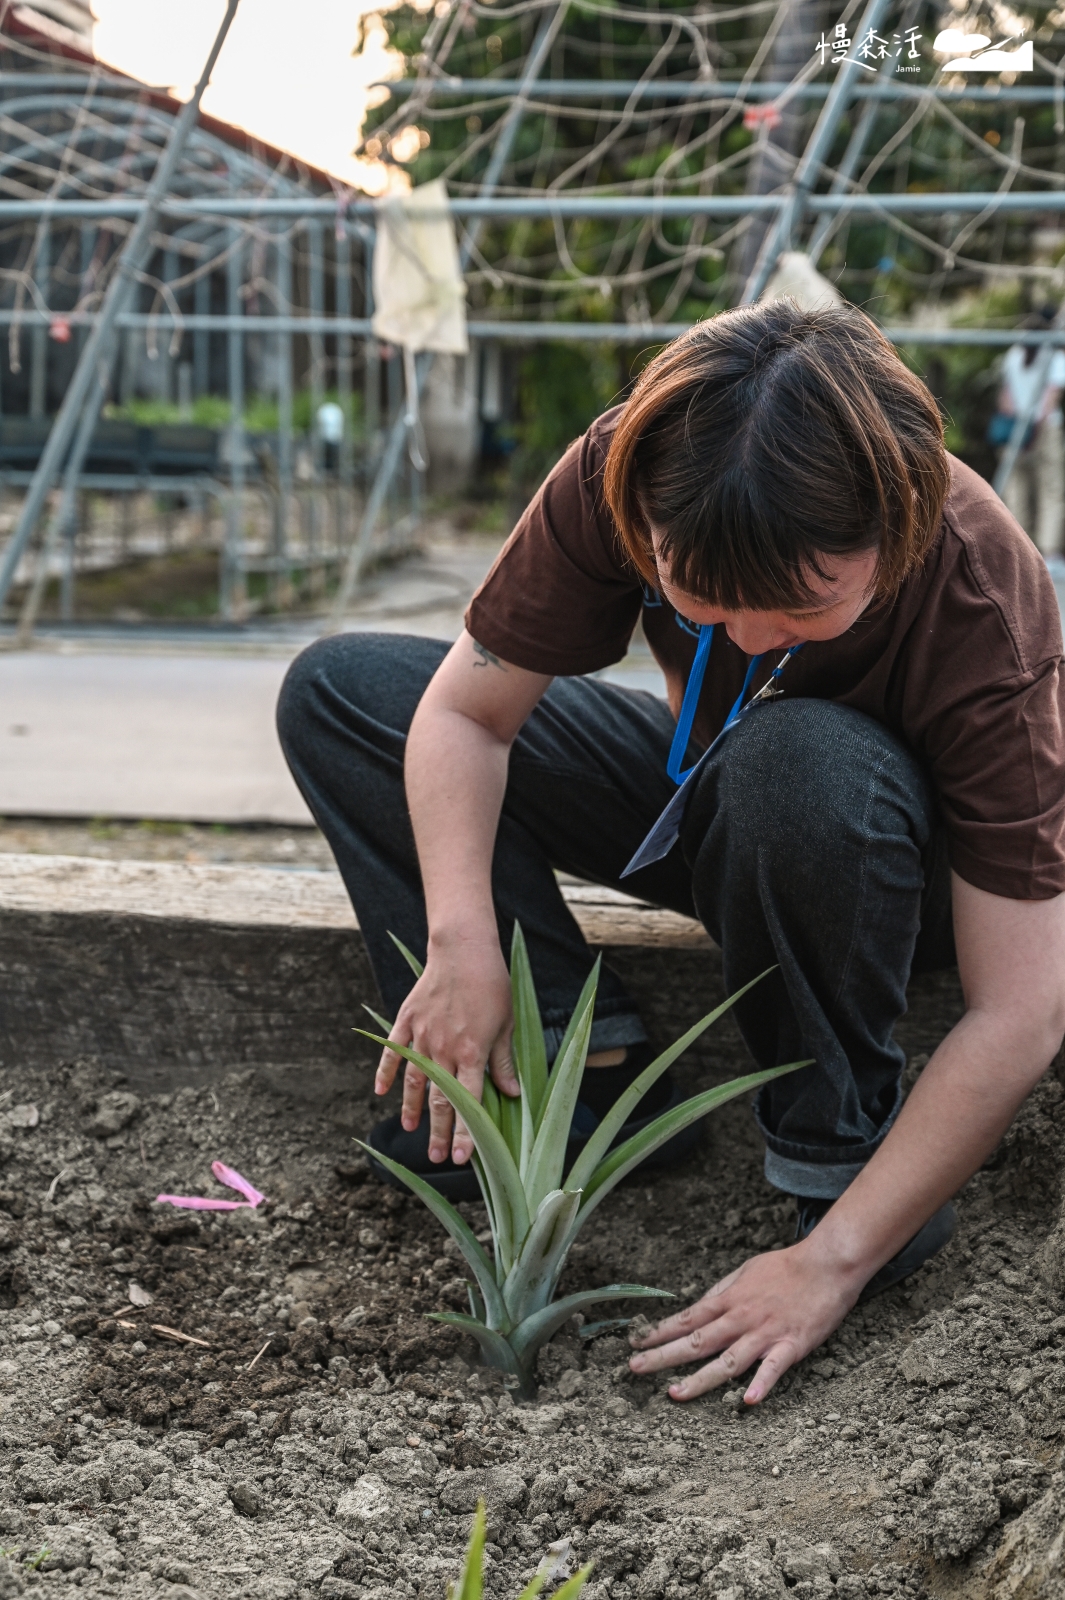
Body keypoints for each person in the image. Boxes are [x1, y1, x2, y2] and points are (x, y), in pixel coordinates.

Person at [277, 302, 1065, 1406]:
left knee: (797, 759)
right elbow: (465, 716)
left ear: (897, 528)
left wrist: (828, 1267)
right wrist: (459, 940)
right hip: (716, 789)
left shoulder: (979, 593)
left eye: (796, 610)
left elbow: (1022, 1009)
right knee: (349, 693)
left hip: (890, 864)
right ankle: (574, 1079)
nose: (744, 637)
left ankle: (837, 1166)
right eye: (704, 601)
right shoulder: (641, 465)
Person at [996, 313, 1065, 562]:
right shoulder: (1055, 357)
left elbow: (1005, 399)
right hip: (1044, 430)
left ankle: (1019, 550)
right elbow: (1050, 399)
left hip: (1016, 427)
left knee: (1016, 489)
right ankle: (1048, 552)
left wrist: (1017, 426)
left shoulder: (1014, 354)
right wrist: (1034, 431)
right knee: (1051, 490)